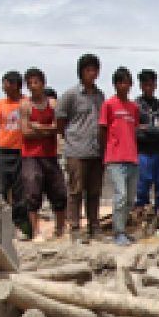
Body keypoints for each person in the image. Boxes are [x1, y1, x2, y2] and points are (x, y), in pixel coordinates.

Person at [56, 53, 105, 240]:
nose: (92, 73)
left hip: (96, 150)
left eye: (95, 69)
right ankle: (75, 228)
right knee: (75, 190)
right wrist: (71, 138)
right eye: (88, 70)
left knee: (94, 191)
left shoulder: (100, 96)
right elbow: (60, 121)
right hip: (76, 149)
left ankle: (94, 226)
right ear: (81, 72)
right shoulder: (70, 95)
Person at [17, 68, 68, 241]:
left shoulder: (53, 104)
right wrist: (47, 129)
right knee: (32, 190)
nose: (33, 86)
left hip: (50, 154)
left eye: (36, 82)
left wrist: (38, 127)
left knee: (59, 191)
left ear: (43, 83)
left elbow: (59, 128)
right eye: (29, 83)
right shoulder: (25, 105)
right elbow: (25, 132)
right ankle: (36, 231)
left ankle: (60, 229)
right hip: (31, 155)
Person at [98, 66, 140, 245]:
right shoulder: (109, 105)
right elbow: (102, 129)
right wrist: (105, 151)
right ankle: (118, 232)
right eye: (121, 82)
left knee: (130, 198)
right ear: (115, 84)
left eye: (128, 82)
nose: (125, 85)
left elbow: (135, 130)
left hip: (132, 157)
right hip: (115, 158)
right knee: (120, 195)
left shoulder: (134, 107)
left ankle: (123, 229)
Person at [0, 71, 28, 234]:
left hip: (21, 151)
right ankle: (0, 226)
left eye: (5, 83)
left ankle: (20, 226)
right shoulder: (0, 104)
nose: (3, 87)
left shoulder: (26, 102)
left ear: (14, 84)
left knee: (20, 192)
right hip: (2, 151)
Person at [135, 68, 159, 223]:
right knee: (142, 189)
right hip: (143, 154)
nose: (149, 88)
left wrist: (148, 129)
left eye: (151, 84)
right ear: (141, 86)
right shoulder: (136, 106)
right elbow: (136, 132)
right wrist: (156, 132)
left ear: (155, 85)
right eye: (146, 85)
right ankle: (140, 223)